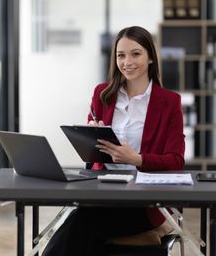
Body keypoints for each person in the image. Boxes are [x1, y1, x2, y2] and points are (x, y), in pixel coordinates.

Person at [42, 25, 185, 256]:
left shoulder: (169, 102)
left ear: (150, 57)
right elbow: (90, 158)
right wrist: (89, 137)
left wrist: (137, 159)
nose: (127, 61)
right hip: (102, 193)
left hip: (144, 202)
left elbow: (176, 161)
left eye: (135, 53)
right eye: (121, 55)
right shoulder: (102, 95)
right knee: (84, 221)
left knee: (81, 224)